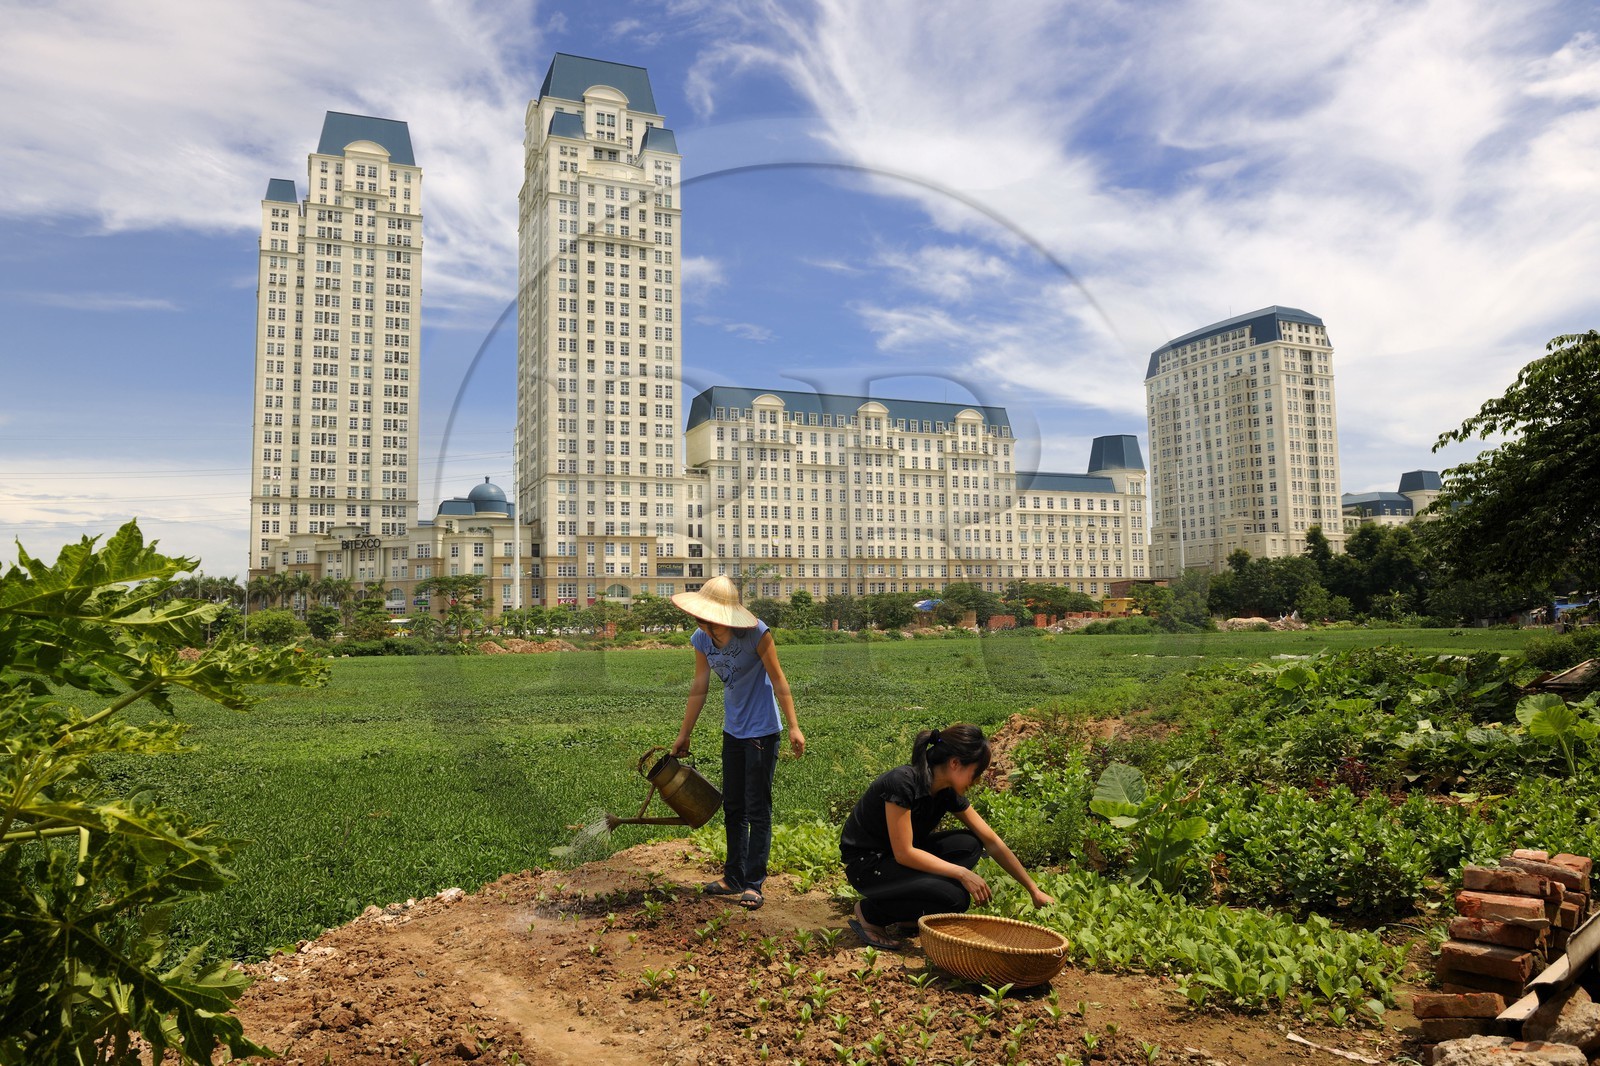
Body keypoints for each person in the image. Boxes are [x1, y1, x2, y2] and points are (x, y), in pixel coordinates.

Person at [839, 724, 1055, 948]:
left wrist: (1034, 890)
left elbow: (991, 840)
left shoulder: (945, 792)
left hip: (895, 860)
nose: (977, 781)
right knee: (955, 899)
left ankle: (907, 915)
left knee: (969, 844)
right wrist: (961, 873)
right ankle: (871, 914)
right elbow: (904, 854)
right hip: (868, 866)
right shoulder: (902, 782)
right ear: (955, 763)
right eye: (976, 772)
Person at [670, 576, 805, 910]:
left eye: (712, 620)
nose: (706, 625)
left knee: (757, 807)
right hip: (733, 730)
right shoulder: (701, 640)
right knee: (733, 806)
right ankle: (733, 876)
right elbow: (700, 686)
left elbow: (778, 678)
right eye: (702, 619)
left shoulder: (757, 633)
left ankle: (754, 883)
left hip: (762, 731)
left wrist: (793, 727)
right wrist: (684, 733)